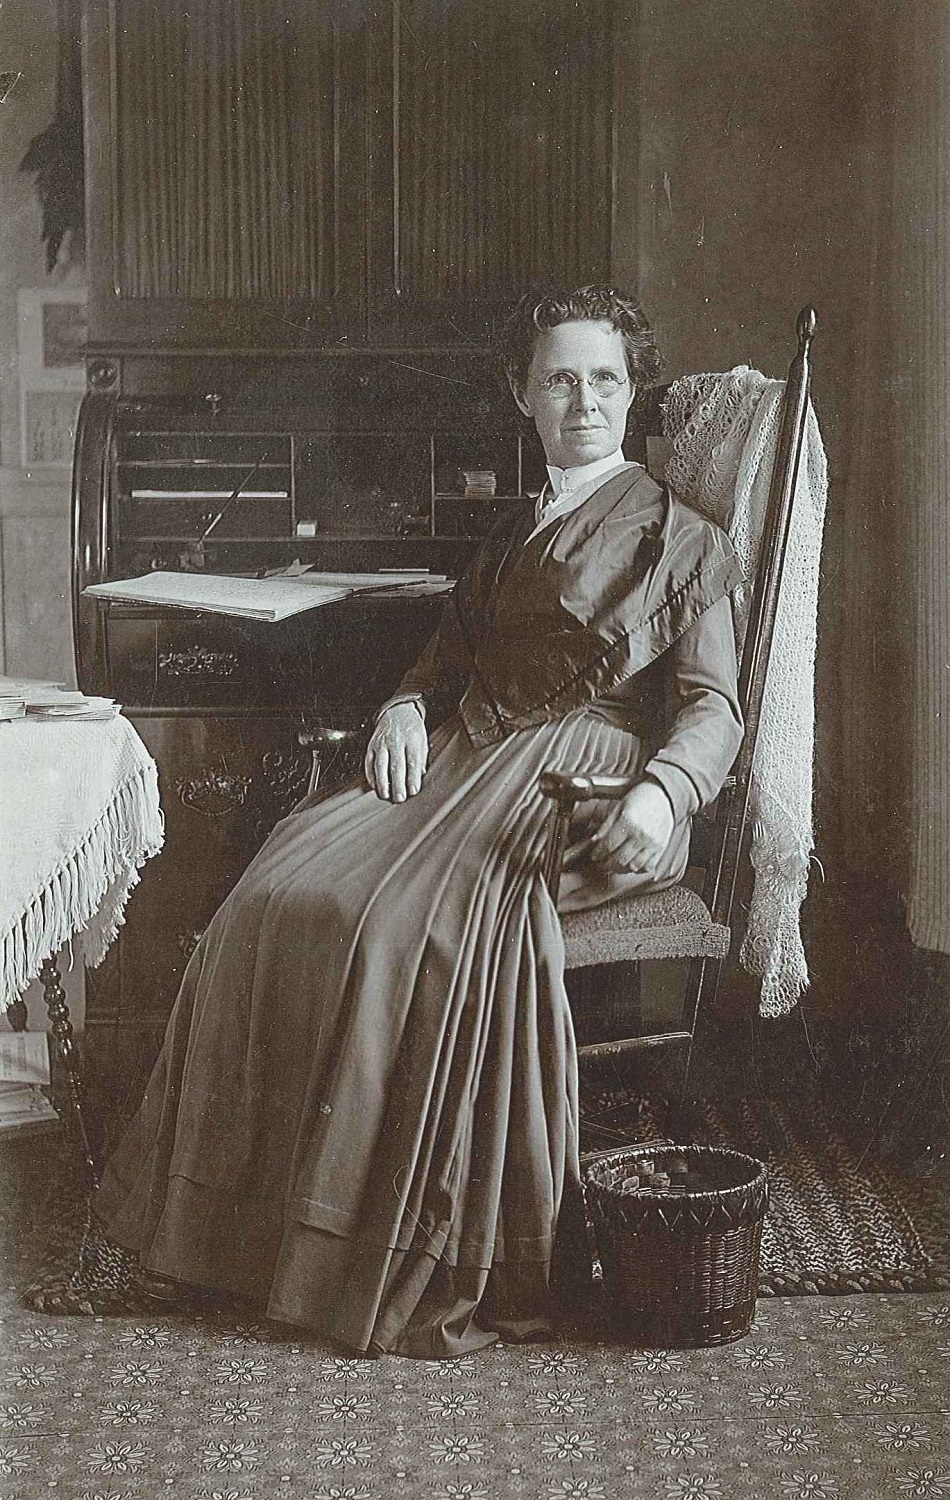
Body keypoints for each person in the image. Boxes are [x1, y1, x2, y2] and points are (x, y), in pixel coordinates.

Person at [27, 286, 744, 1357]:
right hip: (467, 753)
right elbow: (443, 662)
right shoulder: (514, 526)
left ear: (632, 390)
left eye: (602, 378)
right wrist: (406, 706)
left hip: (585, 780)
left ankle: (380, 1248)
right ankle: (248, 1233)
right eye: (558, 378)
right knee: (275, 891)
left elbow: (712, 708)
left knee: (399, 929)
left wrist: (665, 791)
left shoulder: (676, 540)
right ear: (522, 393)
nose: (581, 401)